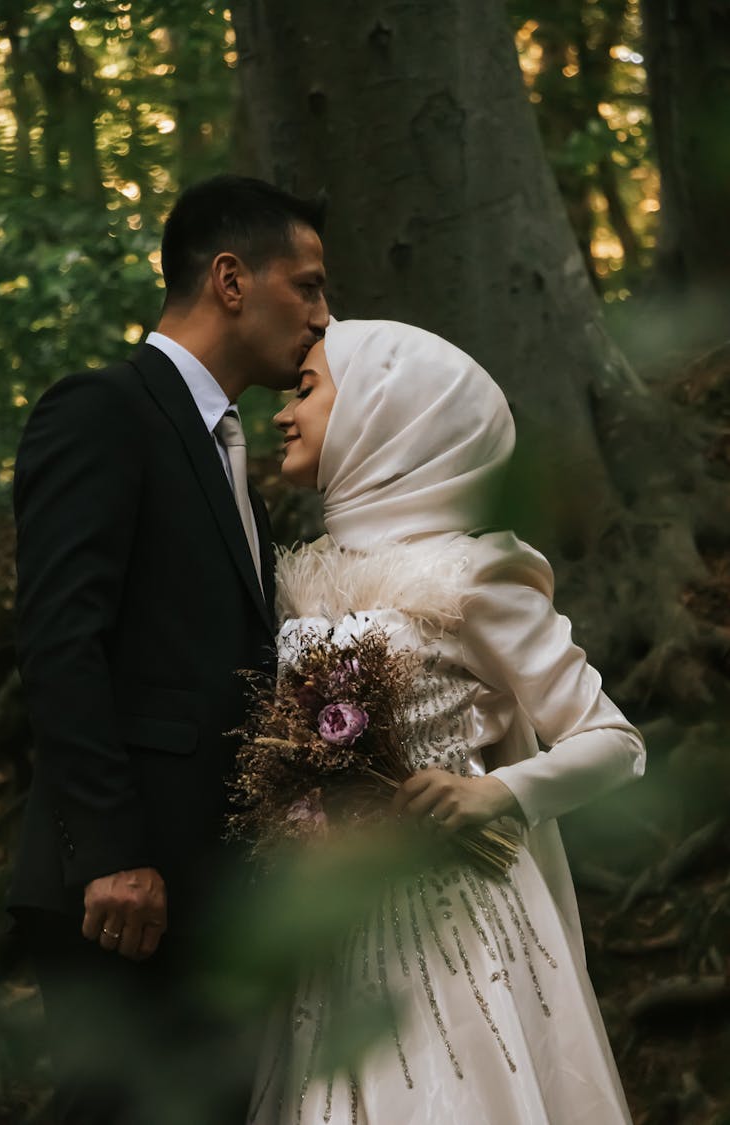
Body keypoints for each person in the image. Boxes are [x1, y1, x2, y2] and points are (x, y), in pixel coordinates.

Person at [250, 319, 645, 1123]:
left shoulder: (473, 575)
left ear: (380, 412)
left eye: (308, 389)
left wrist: (500, 794)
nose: (283, 414)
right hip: (335, 929)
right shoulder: (304, 575)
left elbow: (615, 741)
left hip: (455, 925)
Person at [10, 174, 329, 1124]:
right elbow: (61, 640)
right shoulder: (102, 410)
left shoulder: (229, 454)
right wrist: (114, 853)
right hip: (124, 888)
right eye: (307, 285)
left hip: (213, 892)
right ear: (231, 279)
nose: (322, 315)